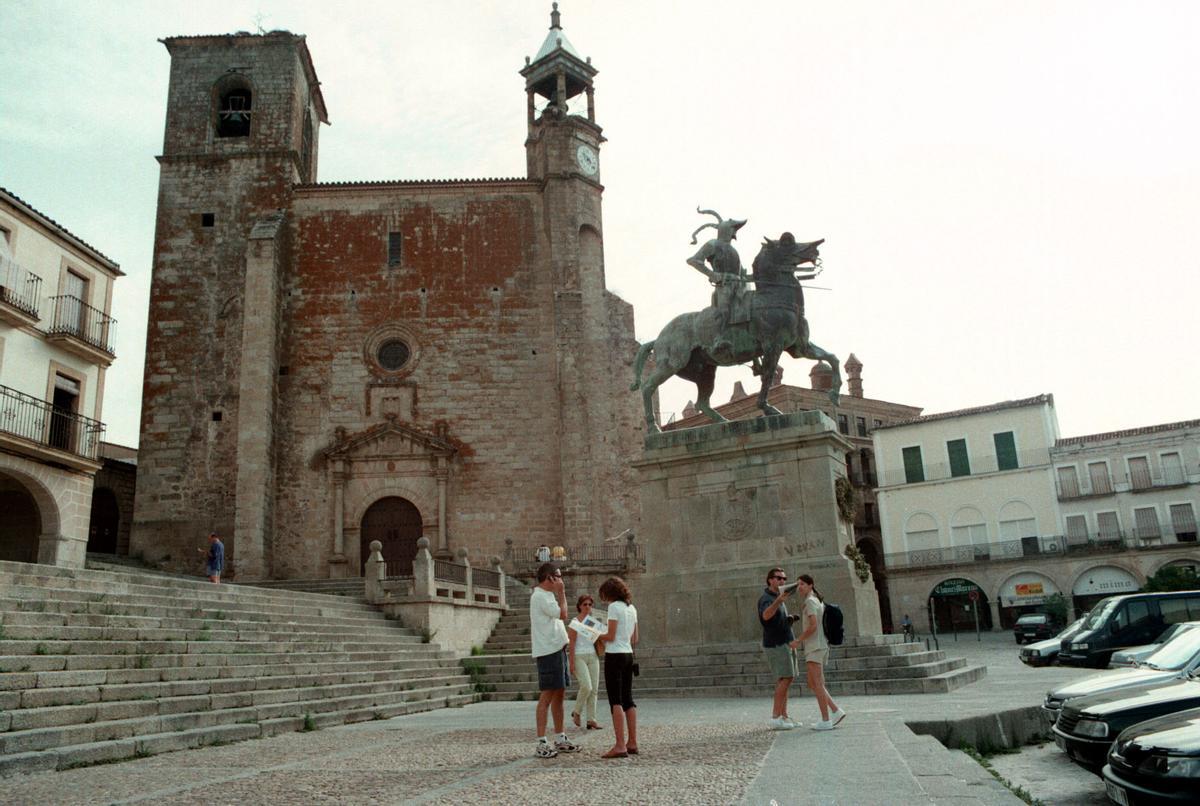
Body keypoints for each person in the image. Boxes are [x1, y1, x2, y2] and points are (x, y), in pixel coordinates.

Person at [530, 562, 578, 758]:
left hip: (558, 649)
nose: (561, 579)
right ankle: (541, 742)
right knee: (547, 695)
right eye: (558, 576)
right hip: (548, 651)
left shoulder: (547, 596)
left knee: (559, 695)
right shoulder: (540, 596)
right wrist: (562, 592)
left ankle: (560, 736)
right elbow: (564, 613)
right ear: (549, 578)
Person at [790, 574, 846, 730]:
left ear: (810, 585)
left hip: (815, 646)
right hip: (818, 645)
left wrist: (798, 640)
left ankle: (826, 719)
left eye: (802, 584)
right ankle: (835, 710)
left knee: (817, 684)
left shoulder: (810, 601)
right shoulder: (815, 600)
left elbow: (813, 625)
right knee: (813, 683)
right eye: (798, 584)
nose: (799, 587)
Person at [598, 576, 638, 758]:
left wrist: (597, 633)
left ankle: (620, 744)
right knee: (628, 699)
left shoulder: (614, 607)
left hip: (614, 654)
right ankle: (632, 742)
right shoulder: (632, 608)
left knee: (616, 700)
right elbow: (635, 638)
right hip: (628, 654)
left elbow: (611, 635)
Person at [758, 567, 798, 730]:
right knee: (785, 678)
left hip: (785, 640)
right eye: (779, 578)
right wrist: (779, 601)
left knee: (787, 678)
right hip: (776, 643)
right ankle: (776, 717)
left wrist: (788, 619)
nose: (782, 581)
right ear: (770, 580)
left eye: (784, 578)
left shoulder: (777, 596)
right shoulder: (767, 598)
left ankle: (784, 716)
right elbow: (765, 616)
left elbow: (774, 619)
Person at [568, 594, 603, 731]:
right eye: (585, 604)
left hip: (593, 655)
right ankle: (577, 711)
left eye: (590, 604)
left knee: (594, 689)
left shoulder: (592, 621)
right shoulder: (575, 621)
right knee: (586, 686)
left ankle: (591, 720)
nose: (587, 607)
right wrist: (571, 662)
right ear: (579, 606)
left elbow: (600, 637)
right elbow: (572, 643)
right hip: (579, 656)